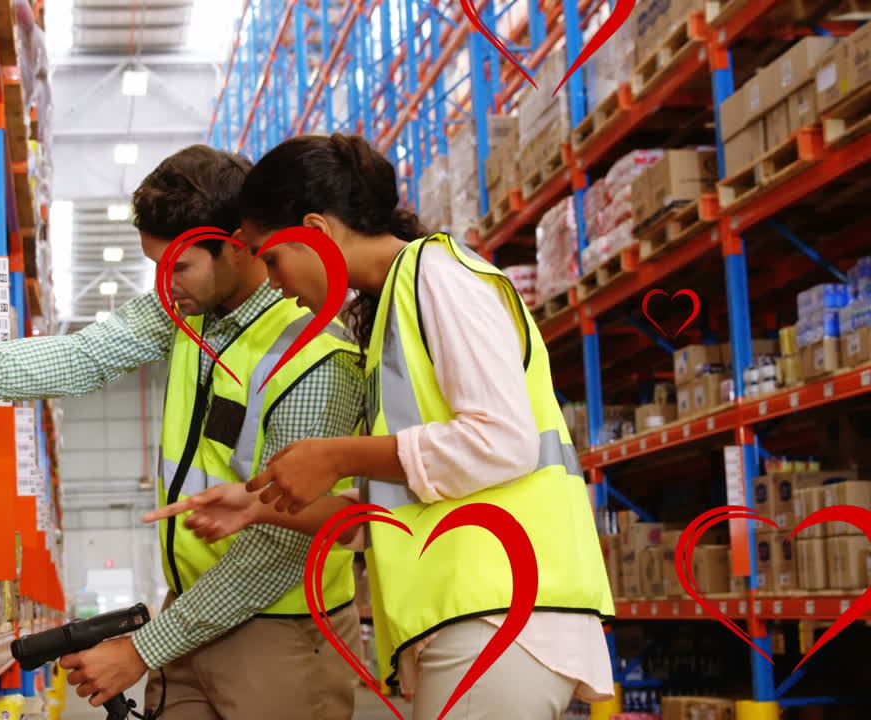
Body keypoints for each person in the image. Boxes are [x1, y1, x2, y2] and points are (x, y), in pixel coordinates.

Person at [143, 134, 616, 720]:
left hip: (503, 608)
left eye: (271, 257)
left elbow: (502, 442)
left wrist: (340, 454)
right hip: (475, 612)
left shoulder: (438, 276)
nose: (276, 282)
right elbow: (391, 504)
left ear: (317, 231)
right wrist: (259, 503)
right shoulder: (392, 308)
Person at [0, 144, 365, 719]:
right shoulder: (189, 311)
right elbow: (84, 356)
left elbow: (283, 543)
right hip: (192, 618)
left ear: (237, 247)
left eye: (179, 265)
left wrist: (142, 648)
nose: (166, 284)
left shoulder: (314, 354)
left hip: (279, 635)